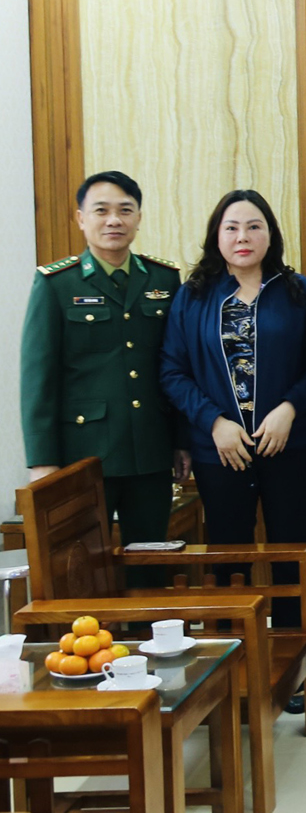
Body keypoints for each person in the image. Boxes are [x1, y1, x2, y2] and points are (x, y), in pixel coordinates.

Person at [159, 189, 306, 716]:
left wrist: (290, 408)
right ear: (217, 236)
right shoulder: (193, 296)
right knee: (227, 559)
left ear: (270, 234)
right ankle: (229, 672)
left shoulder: (299, 292)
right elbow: (172, 371)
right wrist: (213, 422)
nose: (243, 237)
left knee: (288, 556)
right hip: (221, 453)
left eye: (254, 226)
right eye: (231, 227)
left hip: (289, 446)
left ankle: (293, 674)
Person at [21, 171, 188, 586]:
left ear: (138, 218)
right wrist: (42, 461)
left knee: (150, 566)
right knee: (81, 569)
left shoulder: (163, 280)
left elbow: (177, 366)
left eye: (125, 210)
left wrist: (181, 440)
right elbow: (38, 377)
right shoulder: (56, 284)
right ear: (81, 219)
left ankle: (151, 630)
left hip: (150, 450)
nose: (114, 220)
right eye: (101, 211)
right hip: (83, 454)